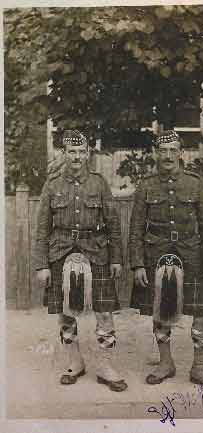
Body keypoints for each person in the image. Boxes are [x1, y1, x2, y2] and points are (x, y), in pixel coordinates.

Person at [129, 130, 203, 391]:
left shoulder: (195, 184)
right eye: (163, 150)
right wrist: (137, 263)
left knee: (202, 311)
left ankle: (199, 368)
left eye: (173, 150)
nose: (168, 155)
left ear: (181, 153)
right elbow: (136, 228)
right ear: (156, 154)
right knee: (160, 311)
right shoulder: (146, 185)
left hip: (192, 254)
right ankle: (166, 363)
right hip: (157, 254)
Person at [35, 129, 127, 392]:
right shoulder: (52, 185)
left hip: (96, 251)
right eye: (71, 152)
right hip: (61, 253)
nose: (76, 157)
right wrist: (42, 264)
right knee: (65, 313)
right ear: (64, 154)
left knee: (104, 311)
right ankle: (74, 363)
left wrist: (116, 259)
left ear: (88, 154)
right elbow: (42, 229)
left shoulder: (99, 184)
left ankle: (105, 366)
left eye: (81, 152)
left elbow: (113, 225)